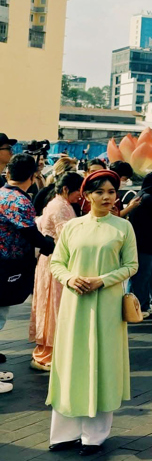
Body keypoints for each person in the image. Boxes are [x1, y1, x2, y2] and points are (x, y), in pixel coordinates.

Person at [46, 169, 138, 454]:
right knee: (71, 363)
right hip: (75, 306)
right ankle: (63, 433)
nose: (107, 197)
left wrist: (102, 280)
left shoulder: (123, 227)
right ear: (86, 195)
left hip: (108, 306)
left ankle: (94, 435)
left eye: (112, 191)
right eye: (100, 192)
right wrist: (71, 278)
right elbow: (56, 263)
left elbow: (131, 266)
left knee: (103, 364)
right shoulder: (72, 227)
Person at [0, 152, 56, 392]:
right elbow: (29, 233)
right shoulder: (19, 201)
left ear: (8, 173)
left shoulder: (1, 194)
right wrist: (49, 244)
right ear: (33, 177)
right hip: (6, 266)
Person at [28, 171, 82, 371]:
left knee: (55, 306)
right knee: (53, 306)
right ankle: (48, 354)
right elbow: (66, 237)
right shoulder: (59, 206)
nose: (80, 196)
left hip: (56, 261)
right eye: (78, 191)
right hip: (54, 262)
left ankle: (55, 351)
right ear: (67, 189)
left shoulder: (62, 204)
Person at [122, 171, 152, 317]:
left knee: (139, 276)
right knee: (144, 276)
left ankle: (138, 304)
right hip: (148, 244)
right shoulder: (150, 199)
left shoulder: (141, 195)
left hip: (141, 243)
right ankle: (140, 306)